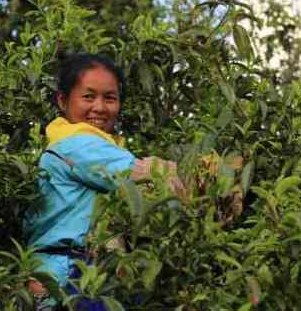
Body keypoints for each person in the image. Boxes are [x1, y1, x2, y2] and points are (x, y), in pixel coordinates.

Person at [23, 53, 183, 310]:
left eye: (109, 98)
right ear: (63, 101)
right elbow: (144, 176)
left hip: (75, 274)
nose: (99, 107)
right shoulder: (76, 143)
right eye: (88, 96)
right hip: (73, 277)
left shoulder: (92, 145)